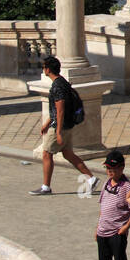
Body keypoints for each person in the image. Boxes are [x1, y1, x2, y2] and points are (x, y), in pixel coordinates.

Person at [29, 56, 97, 197]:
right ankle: (91, 178)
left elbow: (60, 110)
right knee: (68, 154)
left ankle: (46, 187)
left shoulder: (58, 86)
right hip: (66, 124)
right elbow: (56, 109)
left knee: (47, 154)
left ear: (48, 69)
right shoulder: (62, 83)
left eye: (44, 67)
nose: (43, 69)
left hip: (60, 126)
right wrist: (46, 124)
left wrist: (58, 131)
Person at [94, 151, 130, 260]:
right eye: (108, 168)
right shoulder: (106, 183)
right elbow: (103, 206)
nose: (110, 171)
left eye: (114, 168)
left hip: (117, 232)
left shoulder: (127, 187)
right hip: (103, 230)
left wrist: (126, 226)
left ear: (122, 168)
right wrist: (97, 226)